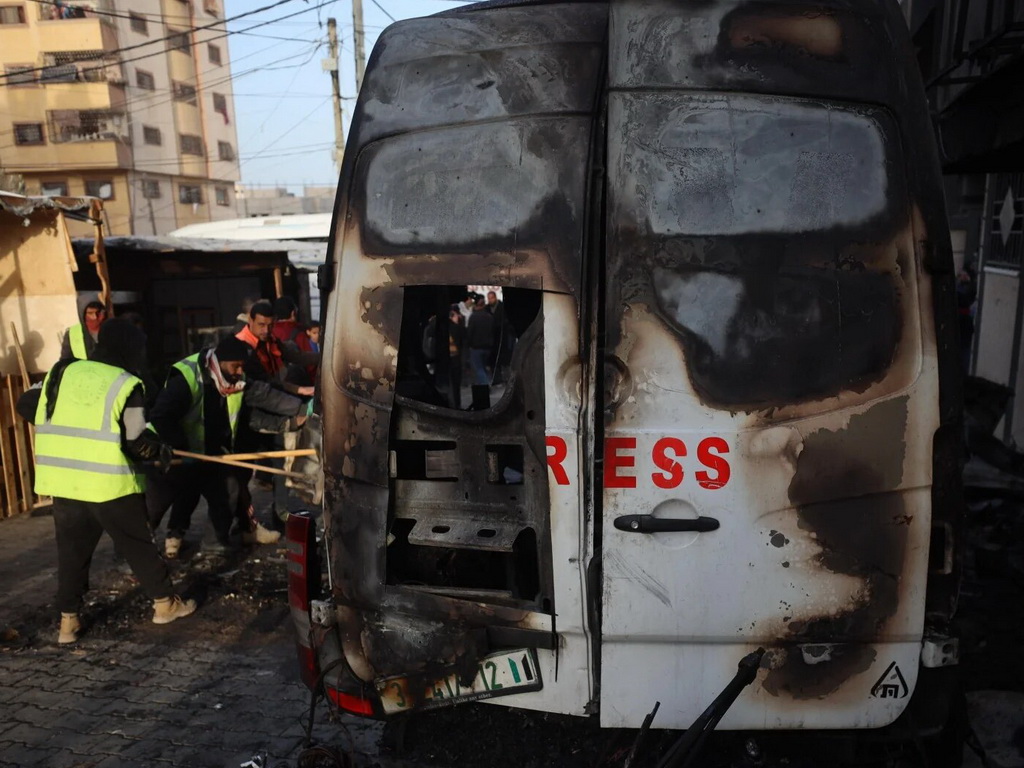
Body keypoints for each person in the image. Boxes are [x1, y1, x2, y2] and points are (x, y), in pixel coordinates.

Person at [18, 319, 195, 644]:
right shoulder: (126, 383)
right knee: (138, 545)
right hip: (108, 484)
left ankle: (67, 624)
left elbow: (26, 404)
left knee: (71, 555)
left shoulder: (62, 372)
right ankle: (164, 605)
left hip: (64, 482)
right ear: (129, 348)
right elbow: (135, 441)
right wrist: (160, 451)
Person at [147, 336, 305, 556]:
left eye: (242, 366)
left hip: (211, 449)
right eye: (235, 366)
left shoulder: (236, 381)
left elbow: (264, 398)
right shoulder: (187, 379)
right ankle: (140, 546)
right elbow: (161, 416)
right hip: (172, 450)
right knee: (161, 500)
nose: (240, 371)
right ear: (220, 362)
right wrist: (180, 446)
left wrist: (301, 411)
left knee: (228, 489)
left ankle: (214, 540)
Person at [466, 297, 495, 385]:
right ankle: (485, 383)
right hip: (487, 347)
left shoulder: (473, 317)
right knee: (483, 367)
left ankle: (485, 385)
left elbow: (470, 333)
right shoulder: (489, 317)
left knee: (479, 368)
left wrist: (469, 344)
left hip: (476, 347)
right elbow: (493, 331)